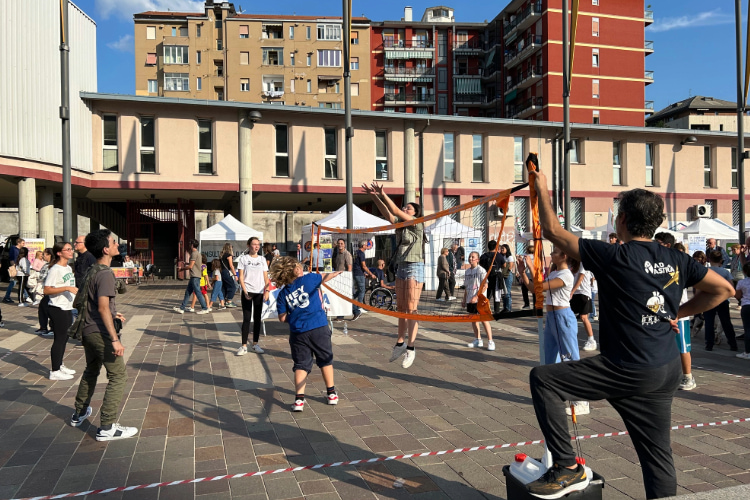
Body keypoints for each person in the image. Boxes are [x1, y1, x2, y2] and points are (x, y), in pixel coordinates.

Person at [526, 169, 733, 500]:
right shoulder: (675, 258)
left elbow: (552, 230)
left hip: (627, 368)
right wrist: (677, 315)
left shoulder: (613, 255)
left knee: (544, 380)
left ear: (621, 220)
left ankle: (567, 468)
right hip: (665, 369)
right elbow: (723, 289)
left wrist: (540, 185)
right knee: (657, 460)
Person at [70, 229, 138, 442]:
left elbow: (85, 302)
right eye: (113, 242)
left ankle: (79, 413)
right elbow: (101, 307)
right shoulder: (106, 273)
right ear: (106, 249)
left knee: (91, 370)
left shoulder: (93, 270)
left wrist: (112, 311)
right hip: (100, 333)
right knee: (118, 376)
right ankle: (107, 426)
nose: (117, 244)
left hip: (87, 331)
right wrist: (115, 339)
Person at [363, 182, 424, 369]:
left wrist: (384, 193)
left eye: (409, 207)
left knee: (412, 309)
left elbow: (396, 210)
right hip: (401, 267)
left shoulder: (417, 224)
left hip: (415, 266)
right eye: (406, 206)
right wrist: (374, 196)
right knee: (401, 309)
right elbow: (389, 214)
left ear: (414, 212)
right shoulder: (400, 225)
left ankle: (411, 348)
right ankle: (400, 343)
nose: (405, 208)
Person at [271, 256, 342, 412]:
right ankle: (331, 394)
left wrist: (295, 316)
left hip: (298, 333)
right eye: (299, 265)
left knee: (301, 365)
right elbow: (326, 276)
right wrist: (338, 272)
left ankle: (299, 400)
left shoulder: (282, 294)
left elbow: (282, 318)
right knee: (325, 360)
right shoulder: (310, 279)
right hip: (318, 327)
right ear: (295, 270)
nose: (301, 267)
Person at [43, 241, 78, 381]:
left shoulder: (68, 268)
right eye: (68, 249)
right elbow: (47, 290)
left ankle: (60, 364)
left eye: (71, 249)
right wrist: (66, 288)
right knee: (59, 339)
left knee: (65, 338)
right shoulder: (55, 270)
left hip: (68, 306)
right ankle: (54, 370)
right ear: (59, 253)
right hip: (57, 308)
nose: (71, 252)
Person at [236, 236, 269, 355]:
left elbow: (266, 277)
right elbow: (241, 277)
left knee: (257, 318)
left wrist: (267, 290)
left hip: (259, 292)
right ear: (248, 245)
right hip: (247, 290)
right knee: (246, 318)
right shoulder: (243, 259)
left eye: (258, 244)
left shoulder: (262, 259)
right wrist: (244, 291)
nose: (256, 246)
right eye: (254, 244)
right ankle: (243, 346)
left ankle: (255, 344)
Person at [704, 250, 738, 352]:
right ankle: (733, 344)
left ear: (709, 259)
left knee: (709, 322)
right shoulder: (725, 272)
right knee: (726, 322)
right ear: (721, 260)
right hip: (722, 299)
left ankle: (709, 344)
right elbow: (731, 286)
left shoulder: (705, 271)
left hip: (709, 299)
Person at [464, 251, 495, 351]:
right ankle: (478, 339)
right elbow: (467, 286)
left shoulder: (481, 270)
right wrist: (464, 299)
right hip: (470, 299)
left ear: (477, 259)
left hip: (479, 300)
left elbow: (485, 285)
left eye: (473, 257)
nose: (471, 258)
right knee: (473, 320)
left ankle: (490, 341)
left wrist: (477, 297)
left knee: (484, 320)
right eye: (469, 257)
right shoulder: (467, 271)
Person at [173, 239, 210, 315]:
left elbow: (190, 266)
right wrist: (186, 263)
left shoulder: (194, 254)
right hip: (195, 276)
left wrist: (182, 269)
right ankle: (182, 308)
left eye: (190, 244)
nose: (189, 245)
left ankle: (204, 308)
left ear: (192, 245)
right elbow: (195, 264)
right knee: (188, 292)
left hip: (195, 276)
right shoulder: (198, 254)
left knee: (198, 292)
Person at [569, 259, 596, 352]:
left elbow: (580, 277)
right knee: (570, 316)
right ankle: (571, 339)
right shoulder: (572, 263)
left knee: (583, 317)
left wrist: (571, 291)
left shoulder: (583, 263)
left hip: (584, 293)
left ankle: (591, 340)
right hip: (575, 294)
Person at [351, 240, 376, 321]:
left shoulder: (356, 252)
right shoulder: (361, 253)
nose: (367, 246)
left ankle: (352, 300)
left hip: (356, 272)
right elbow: (363, 265)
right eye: (366, 245)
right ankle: (359, 307)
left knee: (359, 291)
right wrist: (371, 273)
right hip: (358, 273)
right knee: (362, 290)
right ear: (363, 246)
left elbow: (357, 265)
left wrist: (364, 273)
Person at [35, 248, 54, 336]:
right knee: (45, 308)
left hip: (49, 290)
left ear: (50, 255)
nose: (43, 256)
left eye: (45, 254)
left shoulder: (48, 266)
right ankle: (45, 327)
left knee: (46, 308)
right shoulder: (53, 264)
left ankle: (50, 328)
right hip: (52, 290)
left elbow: (41, 277)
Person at [734, 262, 750, 360]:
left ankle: (748, 351)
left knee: (748, 329)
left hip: (746, 306)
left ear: (744, 271)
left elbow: (738, 296)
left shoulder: (741, 282)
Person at [3, 237, 26, 304]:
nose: (24, 244)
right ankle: (7, 297)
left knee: (20, 281)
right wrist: (14, 267)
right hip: (15, 267)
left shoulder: (20, 250)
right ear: (18, 243)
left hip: (18, 267)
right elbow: (12, 259)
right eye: (22, 243)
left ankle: (26, 296)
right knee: (14, 282)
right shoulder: (14, 249)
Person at [220, 243, 238, 308]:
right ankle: (229, 301)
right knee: (233, 286)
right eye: (231, 247)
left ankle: (223, 300)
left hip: (222, 272)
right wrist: (235, 275)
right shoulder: (229, 255)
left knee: (224, 287)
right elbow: (231, 265)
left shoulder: (222, 255)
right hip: (227, 272)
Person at [519, 244, 536, 309]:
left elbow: (524, 267)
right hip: (534, 276)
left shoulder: (526, 257)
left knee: (524, 290)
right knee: (535, 292)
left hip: (527, 276)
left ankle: (527, 304)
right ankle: (535, 305)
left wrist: (521, 276)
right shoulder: (537, 257)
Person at [501, 244, 516, 312]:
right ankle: (505, 307)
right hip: (502, 275)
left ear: (507, 249)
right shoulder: (501, 256)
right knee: (503, 292)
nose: (502, 250)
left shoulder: (509, 257)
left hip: (508, 275)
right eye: (501, 249)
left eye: (503, 248)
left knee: (507, 292)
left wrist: (505, 271)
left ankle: (508, 308)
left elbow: (510, 266)